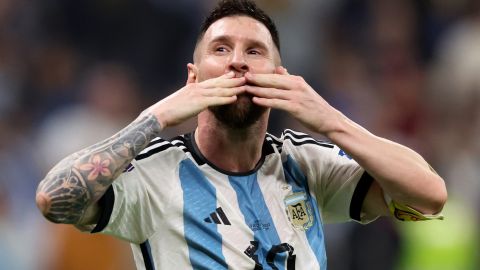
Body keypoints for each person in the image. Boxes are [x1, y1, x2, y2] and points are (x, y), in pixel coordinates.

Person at [35, 0, 447, 269]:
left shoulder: (305, 163)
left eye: (254, 51)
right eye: (220, 49)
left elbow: (428, 196)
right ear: (192, 78)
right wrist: (157, 116)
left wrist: (330, 120)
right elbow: (54, 198)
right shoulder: (152, 175)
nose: (237, 62)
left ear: (279, 78)